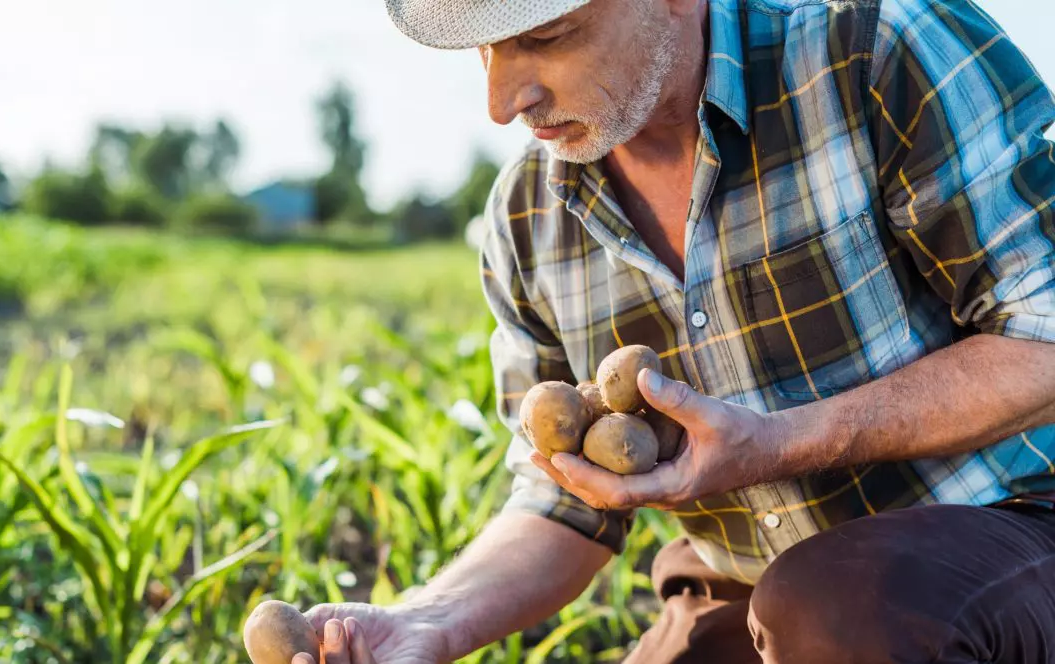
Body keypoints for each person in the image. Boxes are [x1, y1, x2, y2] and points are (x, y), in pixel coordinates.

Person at [245, 0, 1055, 661]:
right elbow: (561, 499)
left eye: (544, 37)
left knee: (832, 610)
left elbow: (1044, 336)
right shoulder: (527, 215)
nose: (501, 101)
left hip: (1014, 525)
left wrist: (780, 442)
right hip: (752, 588)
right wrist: (427, 622)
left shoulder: (874, 49)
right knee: (803, 606)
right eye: (484, 51)